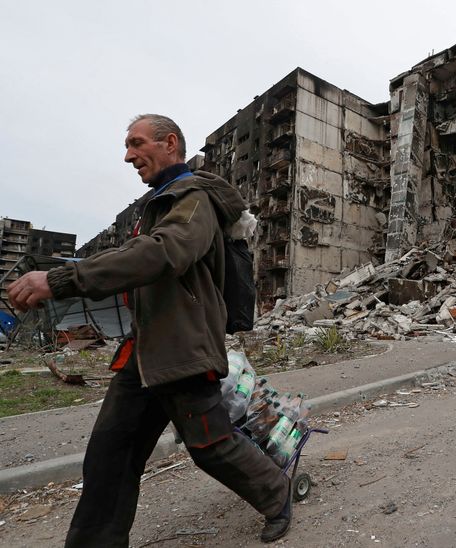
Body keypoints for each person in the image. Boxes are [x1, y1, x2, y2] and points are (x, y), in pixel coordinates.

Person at [8, 114, 291, 546]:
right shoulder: (163, 201)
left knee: (210, 446)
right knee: (110, 455)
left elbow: (165, 253)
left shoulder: (193, 200)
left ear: (170, 143)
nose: (128, 156)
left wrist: (62, 279)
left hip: (183, 349)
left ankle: (277, 494)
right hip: (143, 351)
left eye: (136, 143)